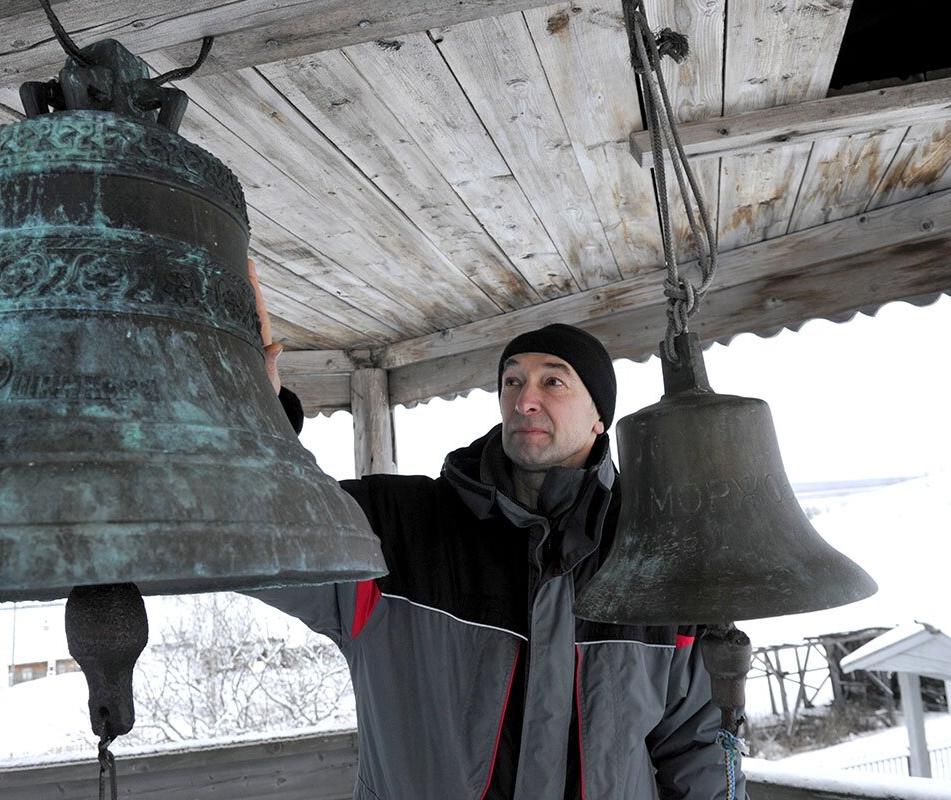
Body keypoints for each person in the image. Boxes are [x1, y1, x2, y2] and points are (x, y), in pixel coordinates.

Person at [248, 263, 745, 800]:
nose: (524, 398)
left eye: (553, 380)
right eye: (512, 381)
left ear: (600, 416)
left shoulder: (651, 560)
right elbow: (257, 532)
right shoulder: (398, 530)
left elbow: (696, 749)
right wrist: (251, 409)